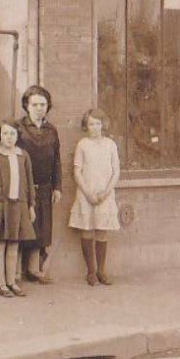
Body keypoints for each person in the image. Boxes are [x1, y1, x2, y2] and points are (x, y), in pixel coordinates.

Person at [0, 119, 37, 298]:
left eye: (12, 133)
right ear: (0, 135)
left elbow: (28, 182)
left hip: (18, 205)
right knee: (0, 243)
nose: (9, 137)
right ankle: (0, 283)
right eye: (5, 133)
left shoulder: (23, 156)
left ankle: (12, 281)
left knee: (14, 244)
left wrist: (31, 206)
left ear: (17, 136)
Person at [69, 108, 120, 286]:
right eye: (91, 124)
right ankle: (90, 271)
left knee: (102, 231)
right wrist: (88, 193)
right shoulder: (83, 144)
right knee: (87, 229)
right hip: (86, 193)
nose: (95, 127)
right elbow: (77, 171)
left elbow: (116, 172)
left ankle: (101, 271)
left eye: (98, 123)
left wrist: (105, 192)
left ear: (103, 125)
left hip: (105, 194)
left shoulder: (110, 145)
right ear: (86, 125)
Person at [17, 85, 62, 283]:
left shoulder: (51, 130)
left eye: (43, 104)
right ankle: (15, 271)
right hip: (23, 187)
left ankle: (33, 269)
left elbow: (57, 160)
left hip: (44, 187)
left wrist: (57, 187)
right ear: (27, 106)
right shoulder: (18, 128)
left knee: (40, 230)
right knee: (21, 228)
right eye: (35, 104)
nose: (39, 108)